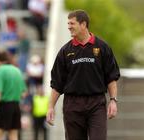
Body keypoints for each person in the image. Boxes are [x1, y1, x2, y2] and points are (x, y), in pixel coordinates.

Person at [46, 10, 120, 140]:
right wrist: (50, 107)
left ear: (83, 24)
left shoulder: (102, 47)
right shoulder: (64, 51)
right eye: (68, 23)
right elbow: (57, 84)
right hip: (72, 105)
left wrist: (113, 100)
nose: (69, 26)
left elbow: (111, 77)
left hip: (96, 103)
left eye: (72, 23)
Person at [0, 50, 27, 140]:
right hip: (16, 106)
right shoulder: (17, 70)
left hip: (3, 106)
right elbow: (24, 94)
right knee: (13, 135)